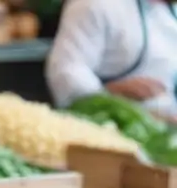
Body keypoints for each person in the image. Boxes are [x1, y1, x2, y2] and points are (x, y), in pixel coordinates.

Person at [47, 0, 177, 123]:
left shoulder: (169, 11)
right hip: (110, 130)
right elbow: (66, 71)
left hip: (166, 132)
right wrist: (108, 94)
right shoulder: (97, 5)